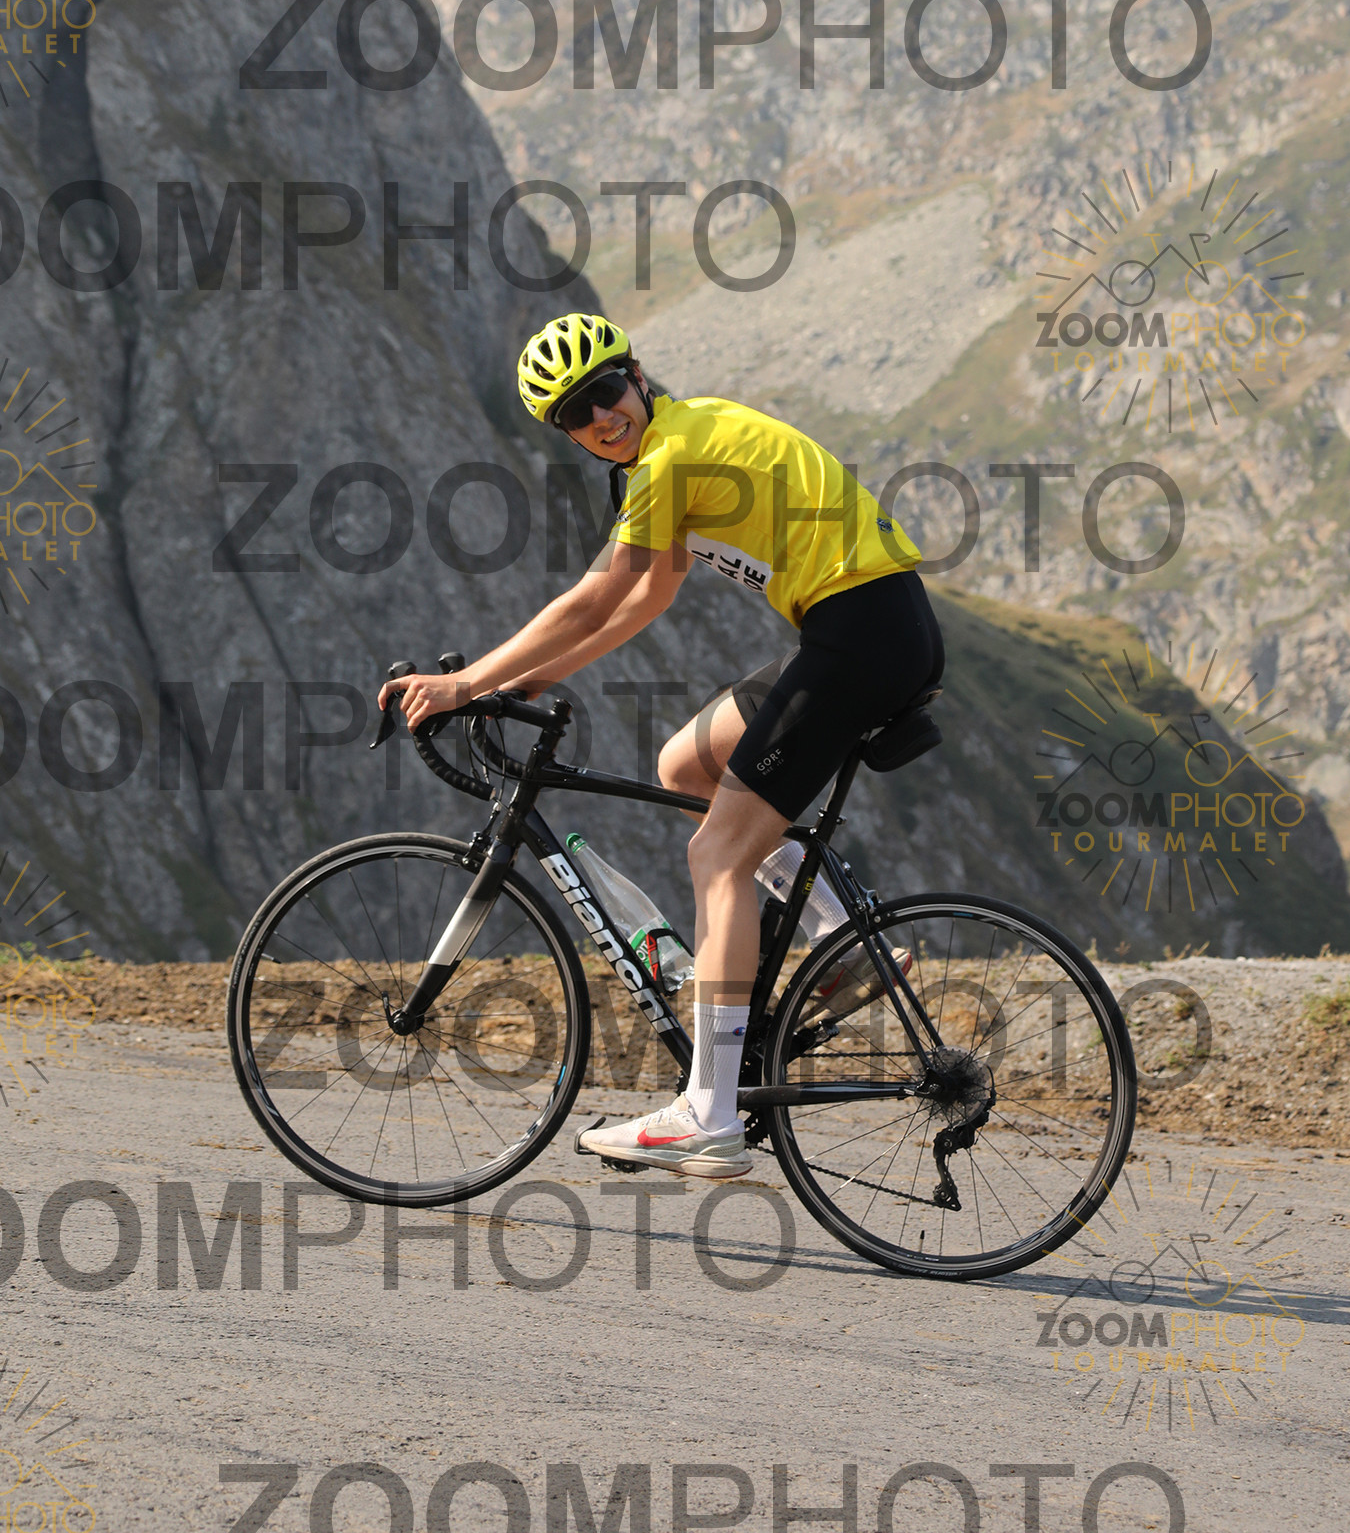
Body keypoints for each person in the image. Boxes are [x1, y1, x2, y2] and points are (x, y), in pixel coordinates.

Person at [378, 311, 945, 1179]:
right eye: (577, 414)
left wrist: (466, 685)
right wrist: (524, 682)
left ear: (637, 378)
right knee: (684, 765)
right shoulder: (674, 449)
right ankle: (846, 941)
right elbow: (648, 598)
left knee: (718, 856)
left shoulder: (670, 455)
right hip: (864, 628)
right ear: (569, 433)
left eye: (606, 391)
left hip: (861, 634)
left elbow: (596, 596)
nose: (602, 418)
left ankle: (708, 1116)